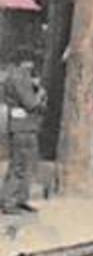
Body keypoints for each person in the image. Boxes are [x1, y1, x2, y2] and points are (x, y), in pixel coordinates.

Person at [1, 59, 47, 214]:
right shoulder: (20, 78)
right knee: (19, 165)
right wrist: (40, 93)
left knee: (25, 164)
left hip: (23, 127)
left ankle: (20, 198)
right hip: (23, 128)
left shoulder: (13, 76)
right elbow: (31, 103)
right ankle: (10, 201)